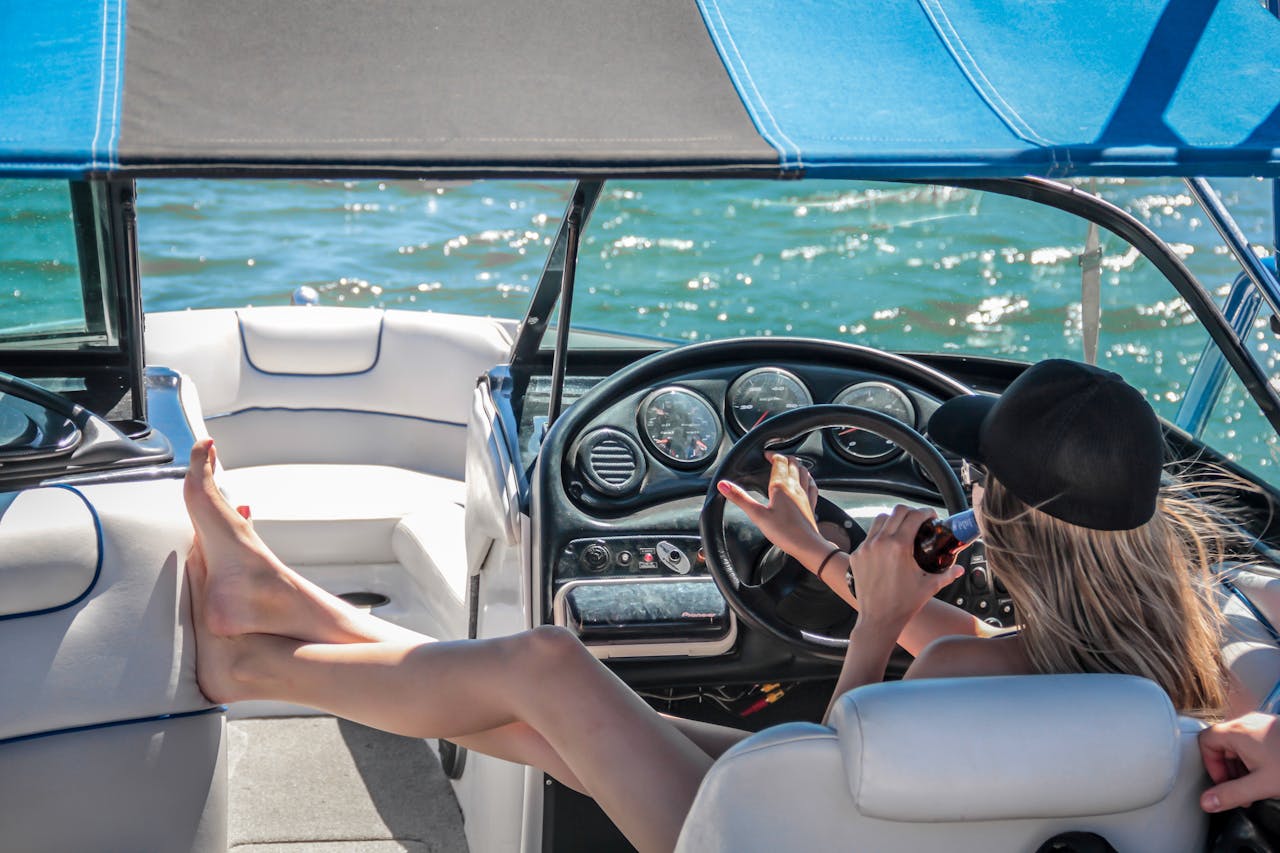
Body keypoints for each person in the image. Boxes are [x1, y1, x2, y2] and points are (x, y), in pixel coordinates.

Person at [185, 358, 1238, 853]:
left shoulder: (968, 676)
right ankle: (277, 597)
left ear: (997, 518)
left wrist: (870, 625)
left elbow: (836, 786)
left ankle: (253, 662)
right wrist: (813, 547)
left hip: (786, 848)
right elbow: (961, 641)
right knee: (566, 730)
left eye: (974, 487)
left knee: (550, 669)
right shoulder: (1193, 664)